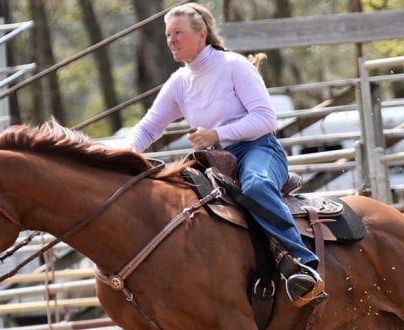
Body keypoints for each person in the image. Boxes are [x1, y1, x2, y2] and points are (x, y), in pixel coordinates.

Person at [128, 2, 325, 307]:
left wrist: (216, 134)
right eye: (168, 34)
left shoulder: (233, 65)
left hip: (258, 149)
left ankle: (303, 265)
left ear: (202, 33)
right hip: (213, 160)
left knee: (257, 186)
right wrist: (119, 156)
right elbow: (148, 128)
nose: (171, 40)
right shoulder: (179, 82)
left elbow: (265, 119)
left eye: (178, 32)